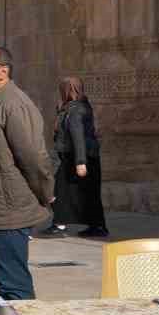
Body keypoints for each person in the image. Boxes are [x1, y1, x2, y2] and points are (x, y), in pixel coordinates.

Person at [0, 46, 54, 300]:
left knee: (14, 286)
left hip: (7, 212)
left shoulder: (14, 105)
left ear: (2, 72)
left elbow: (34, 158)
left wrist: (45, 193)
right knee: (2, 283)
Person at [44, 76, 107, 238]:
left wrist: (80, 162)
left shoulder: (76, 109)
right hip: (80, 158)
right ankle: (95, 226)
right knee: (82, 193)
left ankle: (62, 224)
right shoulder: (76, 106)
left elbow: (77, 136)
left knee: (59, 190)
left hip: (78, 159)